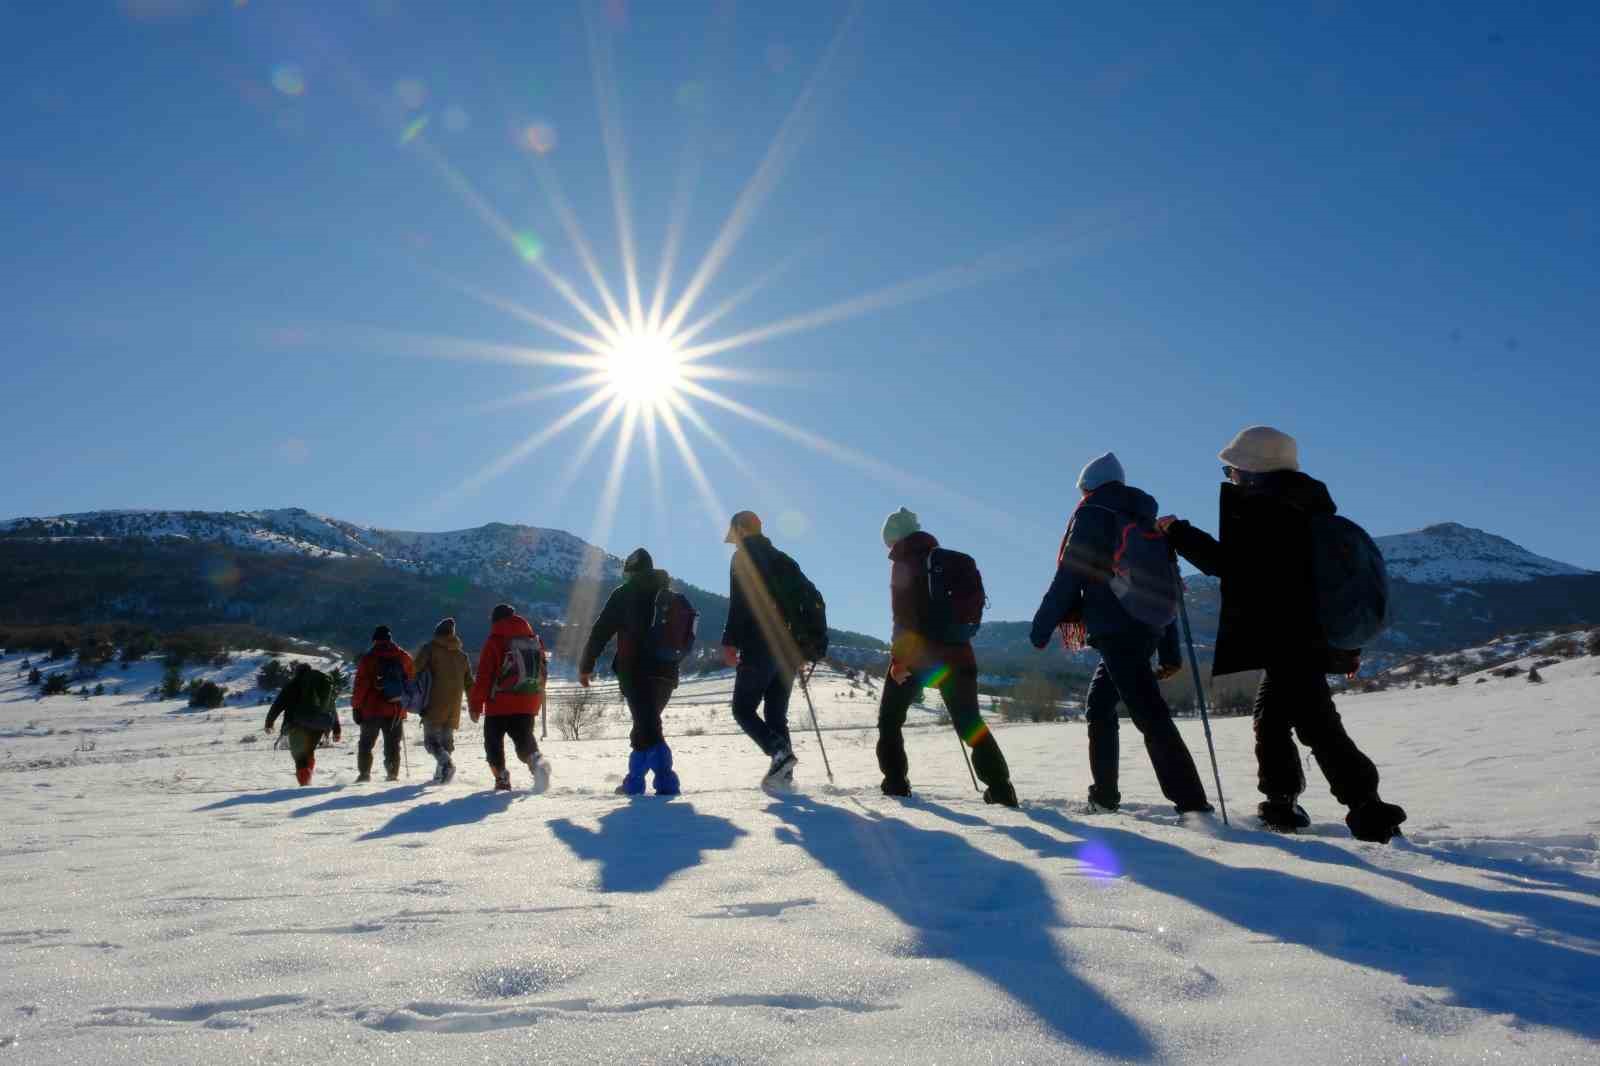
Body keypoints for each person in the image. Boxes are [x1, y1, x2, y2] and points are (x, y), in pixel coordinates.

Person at [1158, 425, 1408, 842]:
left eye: (1232, 469)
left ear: (1253, 467)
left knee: (1316, 724)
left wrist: (1177, 533)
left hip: (1289, 637)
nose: (1230, 477)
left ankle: (1369, 808)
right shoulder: (1308, 505)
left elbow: (1234, 566)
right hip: (1304, 637)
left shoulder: (1267, 506)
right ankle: (1280, 803)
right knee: (1272, 720)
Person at [1029, 452, 1213, 814]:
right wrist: (1170, 650)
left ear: (1088, 488)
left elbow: (1070, 572)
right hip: (1146, 626)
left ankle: (1192, 804)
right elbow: (1164, 587)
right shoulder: (1143, 518)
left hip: (1116, 625)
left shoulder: (1094, 512)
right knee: (1099, 707)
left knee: (1148, 713)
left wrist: (1041, 627)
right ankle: (1104, 795)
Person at [877, 507, 1018, 807]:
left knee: (889, 719)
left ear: (895, 538)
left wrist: (900, 662)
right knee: (970, 723)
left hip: (920, 659)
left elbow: (904, 617)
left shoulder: (905, 561)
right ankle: (1002, 790)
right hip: (959, 656)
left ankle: (896, 784)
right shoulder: (944, 560)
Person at [579, 550, 680, 796]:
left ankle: (664, 783)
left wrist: (586, 665)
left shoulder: (624, 594)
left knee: (649, 728)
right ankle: (633, 782)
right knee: (645, 725)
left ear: (631, 572)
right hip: (667, 672)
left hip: (636, 671)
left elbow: (601, 631)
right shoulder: (670, 596)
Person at [720, 510, 809, 787]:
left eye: (734, 534)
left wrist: (729, 640)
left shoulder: (742, 557)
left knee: (742, 709)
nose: (733, 541)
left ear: (741, 529)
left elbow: (741, 603)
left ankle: (779, 754)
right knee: (775, 714)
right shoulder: (783, 560)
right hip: (789, 649)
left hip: (759, 644)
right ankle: (784, 775)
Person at [470, 604, 553, 793]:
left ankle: (501, 778)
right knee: (524, 739)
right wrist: (535, 701)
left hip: (499, 703)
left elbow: (484, 675)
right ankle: (536, 762)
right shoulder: (534, 640)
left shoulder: (495, 640)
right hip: (527, 701)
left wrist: (476, 704)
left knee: (493, 742)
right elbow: (542, 673)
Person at [412, 617, 474, 784]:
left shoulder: (430, 649)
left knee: (431, 741)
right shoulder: (462, 655)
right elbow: (470, 683)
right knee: (446, 742)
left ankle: (446, 764)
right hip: (454, 705)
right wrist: (474, 706)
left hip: (434, 703)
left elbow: (414, 670)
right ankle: (441, 775)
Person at [351, 625, 414, 783]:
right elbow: (411, 681)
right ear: (390, 638)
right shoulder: (403, 657)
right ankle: (392, 775)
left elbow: (361, 685)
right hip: (395, 709)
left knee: (366, 744)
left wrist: (356, 706)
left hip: (371, 709)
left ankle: (364, 774)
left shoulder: (369, 658)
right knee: (392, 745)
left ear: (374, 640)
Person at [263, 661, 340, 786]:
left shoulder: (292, 685)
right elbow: (331, 708)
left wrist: (269, 723)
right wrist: (336, 729)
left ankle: (305, 784)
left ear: (296, 673)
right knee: (309, 751)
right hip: (320, 724)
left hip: (297, 724)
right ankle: (307, 780)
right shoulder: (320, 685)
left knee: (299, 755)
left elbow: (278, 705)